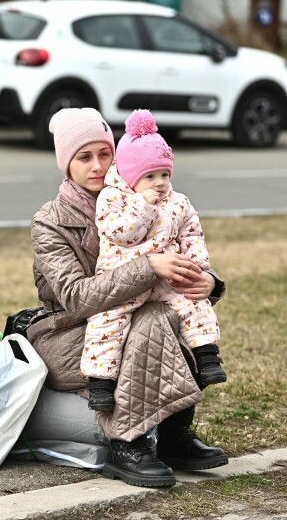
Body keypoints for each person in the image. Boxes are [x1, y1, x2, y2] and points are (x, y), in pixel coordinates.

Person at [26, 107, 228, 488]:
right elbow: (75, 297)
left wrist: (209, 282)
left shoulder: (145, 197)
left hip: (134, 320)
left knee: (168, 314)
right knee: (153, 318)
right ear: (65, 164)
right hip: (70, 334)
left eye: (105, 153)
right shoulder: (49, 221)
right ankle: (127, 443)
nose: (98, 165)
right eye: (84, 157)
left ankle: (171, 436)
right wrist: (150, 268)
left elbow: (183, 242)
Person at [83, 110, 225, 412]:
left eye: (164, 174)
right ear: (132, 176)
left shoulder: (177, 201)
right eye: (150, 176)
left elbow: (191, 232)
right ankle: (101, 383)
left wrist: (199, 266)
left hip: (166, 278)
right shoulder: (114, 198)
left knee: (192, 302)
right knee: (107, 323)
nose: (159, 183)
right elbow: (122, 234)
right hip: (124, 277)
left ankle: (207, 354)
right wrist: (141, 205)